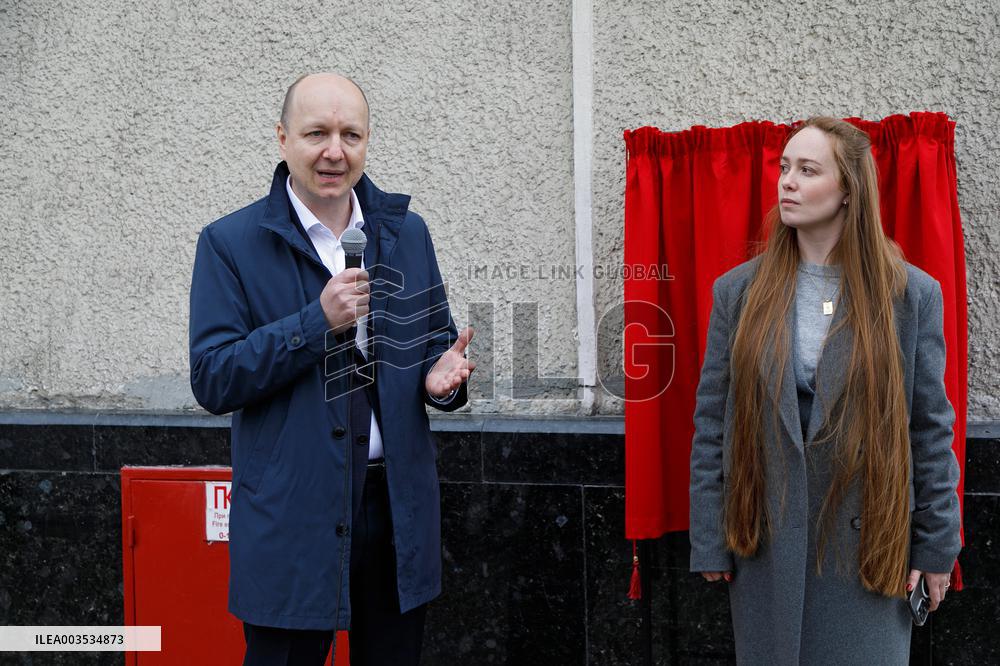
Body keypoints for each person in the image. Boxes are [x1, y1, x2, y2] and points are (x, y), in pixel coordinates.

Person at [189, 72, 474, 666]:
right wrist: (316, 322)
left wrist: (437, 380)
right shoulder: (230, 243)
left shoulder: (405, 233)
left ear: (367, 141)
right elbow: (214, 377)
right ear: (283, 138)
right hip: (293, 515)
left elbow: (435, 339)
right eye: (316, 132)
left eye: (351, 134)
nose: (334, 152)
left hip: (395, 508)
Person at [688, 117, 962, 664]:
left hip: (868, 549)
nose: (786, 181)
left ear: (847, 192)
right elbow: (713, 422)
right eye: (784, 167)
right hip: (768, 543)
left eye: (807, 170)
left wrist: (936, 546)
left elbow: (929, 427)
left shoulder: (910, 296)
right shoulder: (739, 292)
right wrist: (711, 536)